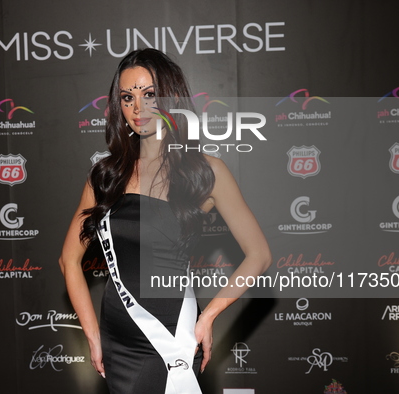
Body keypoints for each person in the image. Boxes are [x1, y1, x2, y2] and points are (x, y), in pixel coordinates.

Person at [59, 48, 271, 394]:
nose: (137, 108)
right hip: (117, 338)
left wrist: (209, 315)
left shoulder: (205, 172)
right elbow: (68, 259)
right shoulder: (105, 176)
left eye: (149, 94)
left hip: (171, 334)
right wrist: (93, 334)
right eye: (127, 97)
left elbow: (259, 255)